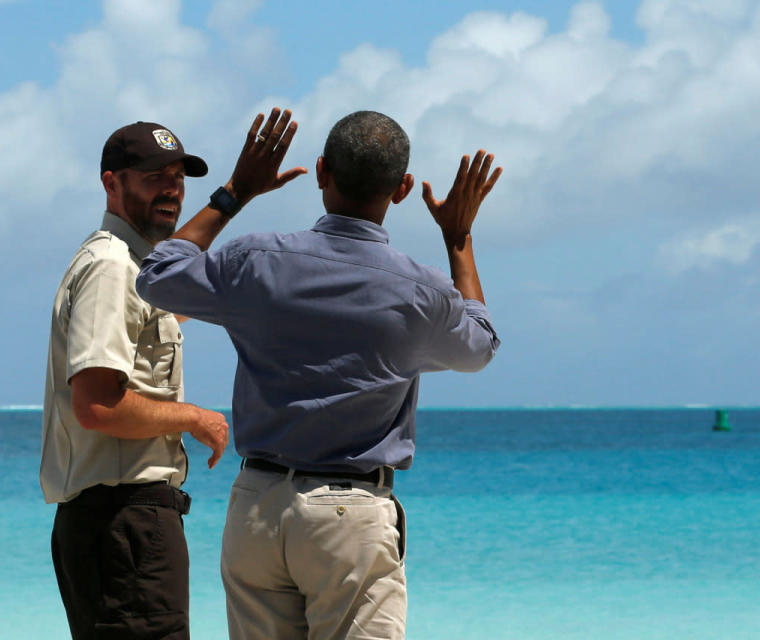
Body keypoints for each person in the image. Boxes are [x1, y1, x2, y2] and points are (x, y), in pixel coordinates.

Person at [136, 109, 502, 639]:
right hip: (350, 516)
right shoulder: (420, 292)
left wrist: (235, 191)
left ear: (322, 172)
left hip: (257, 508)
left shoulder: (256, 259)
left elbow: (158, 275)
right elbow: (481, 345)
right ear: (401, 190)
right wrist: (459, 240)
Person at [39, 121, 231, 639]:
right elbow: (97, 405)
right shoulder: (111, 269)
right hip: (124, 526)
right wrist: (195, 417)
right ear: (112, 184)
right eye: (153, 177)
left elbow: (170, 274)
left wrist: (234, 197)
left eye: (177, 177)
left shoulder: (128, 263)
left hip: (117, 527)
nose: (171, 189)